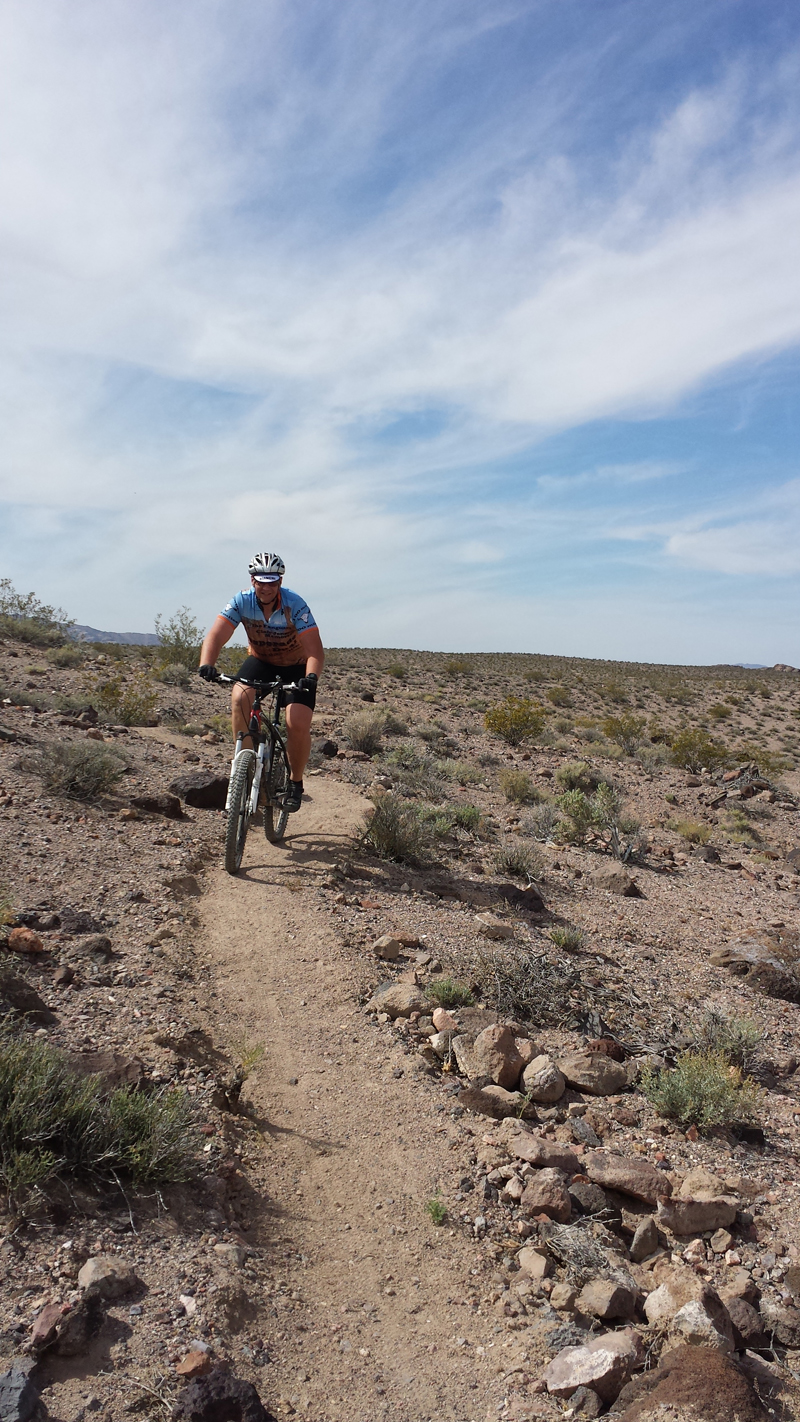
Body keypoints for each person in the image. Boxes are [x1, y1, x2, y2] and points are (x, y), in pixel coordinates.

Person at [197, 553, 324, 812]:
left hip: (296, 666)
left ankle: (295, 782)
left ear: (280, 582)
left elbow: (315, 651)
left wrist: (311, 678)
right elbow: (216, 635)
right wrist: (206, 663)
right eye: (261, 581)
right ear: (252, 581)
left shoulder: (295, 604)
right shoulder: (241, 601)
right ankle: (244, 768)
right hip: (262, 661)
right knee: (240, 697)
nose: (266, 587)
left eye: (272, 582)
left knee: (296, 722)